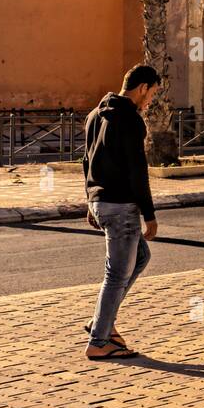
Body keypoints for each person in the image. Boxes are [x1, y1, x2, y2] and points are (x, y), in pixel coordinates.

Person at [81, 64, 161, 361]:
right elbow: (137, 171)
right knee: (116, 275)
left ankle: (101, 321)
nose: (151, 99)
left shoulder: (94, 115)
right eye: (152, 93)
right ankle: (99, 340)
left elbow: (86, 162)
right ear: (142, 88)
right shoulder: (130, 119)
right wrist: (149, 215)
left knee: (141, 257)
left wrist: (90, 201)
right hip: (121, 206)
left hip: (101, 202)